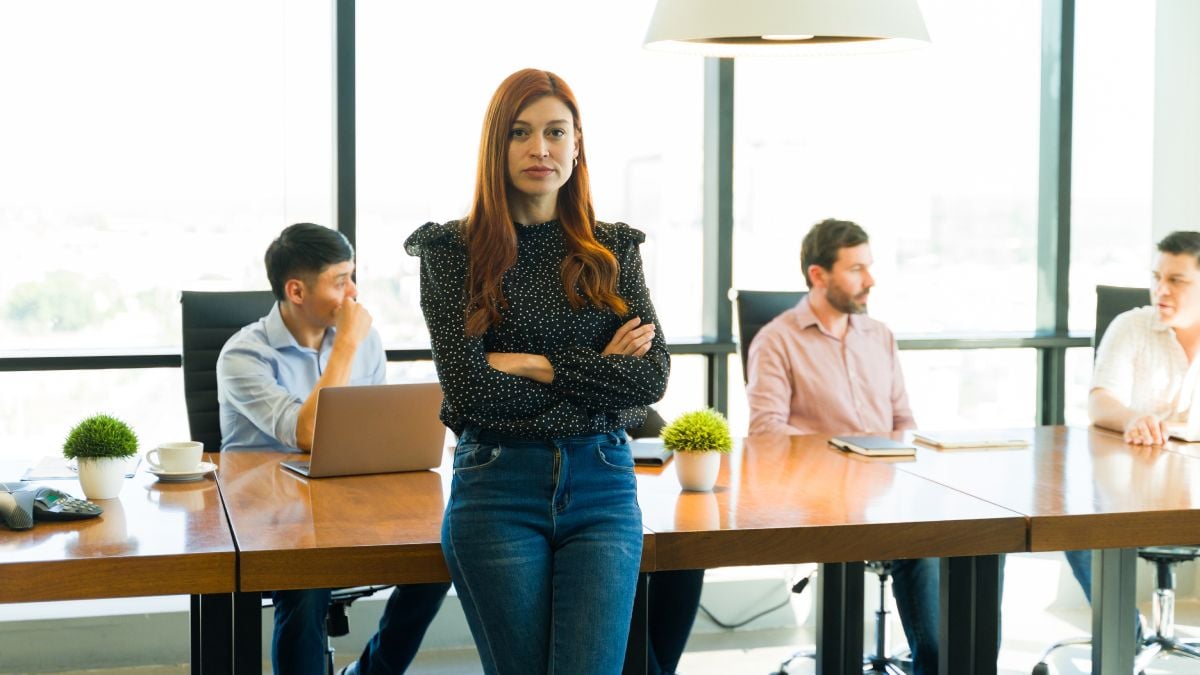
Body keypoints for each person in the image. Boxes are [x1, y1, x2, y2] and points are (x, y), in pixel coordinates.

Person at [405, 68, 669, 675]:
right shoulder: (453, 253)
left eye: (556, 132)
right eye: (520, 133)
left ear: (577, 146)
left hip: (602, 484)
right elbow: (472, 389)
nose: (539, 149)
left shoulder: (610, 250)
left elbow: (650, 378)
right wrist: (599, 374)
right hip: (497, 487)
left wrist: (533, 366)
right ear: (496, 147)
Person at [217, 222, 449, 675]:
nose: (354, 293)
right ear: (297, 291)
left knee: (441, 558)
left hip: (346, 504)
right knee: (305, 587)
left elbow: (371, 429)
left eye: (353, 277)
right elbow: (306, 434)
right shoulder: (244, 356)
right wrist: (345, 343)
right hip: (268, 517)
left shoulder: (366, 343)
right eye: (341, 281)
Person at [745, 218, 939, 675]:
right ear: (818, 275)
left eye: (868, 267)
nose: (869, 280)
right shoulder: (776, 340)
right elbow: (766, 433)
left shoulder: (880, 335)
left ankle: (942, 662)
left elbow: (904, 421)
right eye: (856, 269)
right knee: (923, 551)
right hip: (820, 501)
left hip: (889, 494)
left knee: (965, 539)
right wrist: (849, 452)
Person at [1067, 230, 1200, 633]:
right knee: (1076, 520)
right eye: (1156, 277)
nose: (1161, 289)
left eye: (1176, 280)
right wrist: (1130, 419)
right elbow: (1100, 399)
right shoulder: (1131, 326)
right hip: (1134, 488)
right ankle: (1124, 633)